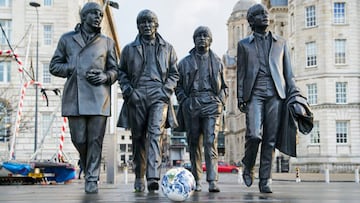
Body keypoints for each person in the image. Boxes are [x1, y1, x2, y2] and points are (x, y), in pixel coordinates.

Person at [49, 2, 118, 194]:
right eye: (94, 14)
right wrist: (71, 67)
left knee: (95, 140)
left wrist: (106, 77)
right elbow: (54, 66)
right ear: (84, 16)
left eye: (100, 15)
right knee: (79, 138)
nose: (98, 18)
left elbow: (115, 70)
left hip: (99, 97)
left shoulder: (107, 42)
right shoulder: (67, 39)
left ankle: (92, 179)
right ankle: (88, 166)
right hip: (75, 97)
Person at [236, 3, 298, 193]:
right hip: (254, 94)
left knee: (270, 139)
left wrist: (294, 94)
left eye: (265, 13)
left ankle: (265, 179)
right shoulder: (244, 45)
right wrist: (240, 97)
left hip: (276, 94)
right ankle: (248, 163)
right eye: (259, 14)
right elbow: (241, 73)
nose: (264, 16)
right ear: (251, 21)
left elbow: (288, 74)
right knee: (254, 135)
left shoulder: (281, 42)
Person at [117, 9, 179, 193]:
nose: (146, 25)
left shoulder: (168, 48)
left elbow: (175, 74)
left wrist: (164, 91)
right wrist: (129, 91)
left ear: (156, 25)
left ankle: (152, 176)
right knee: (138, 138)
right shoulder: (129, 49)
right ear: (138, 26)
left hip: (158, 95)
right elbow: (122, 73)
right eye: (142, 22)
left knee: (154, 134)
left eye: (150, 22)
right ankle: (139, 175)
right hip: (137, 95)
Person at [175, 26, 228, 193]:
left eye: (205, 36)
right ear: (194, 39)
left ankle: (212, 180)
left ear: (210, 40)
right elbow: (177, 86)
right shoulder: (184, 63)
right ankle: (197, 180)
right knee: (194, 143)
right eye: (199, 36)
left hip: (212, 104)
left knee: (210, 141)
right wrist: (184, 100)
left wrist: (220, 100)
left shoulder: (218, 61)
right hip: (192, 104)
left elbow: (225, 87)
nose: (202, 38)